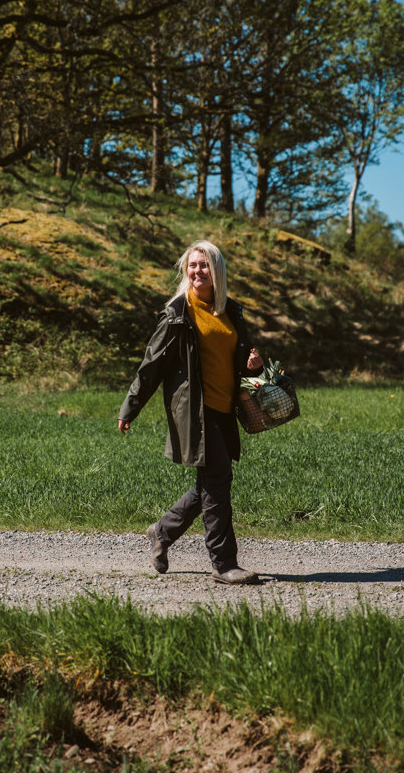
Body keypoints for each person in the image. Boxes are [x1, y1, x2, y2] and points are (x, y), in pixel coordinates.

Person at [118, 240, 263, 585]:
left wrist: (254, 364)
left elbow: (240, 362)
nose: (198, 271)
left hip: (225, 410)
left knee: (208, 486)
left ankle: (162, 532)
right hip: (195, 413)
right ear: (186, 270)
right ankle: (224, 563)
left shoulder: (231, 311)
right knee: (219, 483)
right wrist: (130, 407)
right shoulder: (178, 314)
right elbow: (150, 367)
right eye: (193, 265)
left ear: (218, 271)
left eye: (205, 265)